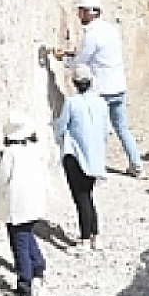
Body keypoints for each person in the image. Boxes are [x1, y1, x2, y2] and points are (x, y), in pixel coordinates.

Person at [53, 0, 143, 177]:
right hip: (118, 87)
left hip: (102, 90)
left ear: (90, 12)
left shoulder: (92, 35)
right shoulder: (110, 30)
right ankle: (137, 165)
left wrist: (63, 59)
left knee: (96, 130)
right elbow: (93, 54)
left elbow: (81, 61)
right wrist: (70, 54)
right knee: (122, 128)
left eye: (81, 11)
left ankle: (96, 167)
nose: (79, 15)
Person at [53, 63, 109, 250]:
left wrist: (56, 131)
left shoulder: (71, 103)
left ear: (75, 82)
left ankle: (85, 238)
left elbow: (61, 127)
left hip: (75, 155)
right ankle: (96, 236)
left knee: (81, 198)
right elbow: (105, 131)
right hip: (94, 158)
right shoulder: (101, 103)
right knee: (88, 195)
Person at [0, 112, 48, 296]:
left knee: (19, 244)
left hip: (16, 206)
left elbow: (2, 178)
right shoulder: (34, 149)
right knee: (26, 235)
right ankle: (38, 265)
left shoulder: (9, 153)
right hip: (33, 204)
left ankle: (25, 284)